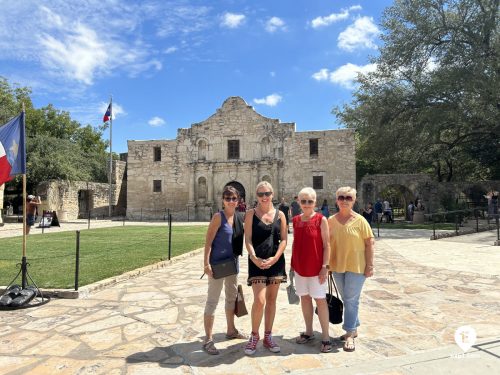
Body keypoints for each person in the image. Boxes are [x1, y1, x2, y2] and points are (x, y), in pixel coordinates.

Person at [328, 187, 374, 353]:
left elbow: (369, 244)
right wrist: (326, 264)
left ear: (354, 200)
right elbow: (326, 244)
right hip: (337, 265)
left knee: (351, 299)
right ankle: (353, 327)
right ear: (337, 199)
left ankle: (348, 333)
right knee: (348, 298)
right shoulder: (330, 221)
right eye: (341, 197)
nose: (344, 200)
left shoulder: (360, 221)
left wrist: (370, 265)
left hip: (357, 266)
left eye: (348, 197)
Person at [243, 181, 288, 355]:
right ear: (256, 196)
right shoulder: (250, 214)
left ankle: (268, 336)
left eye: (267, 193)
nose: (264, 197)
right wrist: (253, 257)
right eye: (261, 194)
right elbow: (247, 238)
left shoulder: (281, 215)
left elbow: (284, 239)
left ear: (272, 194)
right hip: (257, 261)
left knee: (271, 300)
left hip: (276, 260)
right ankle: (254, 335)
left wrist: (275, 257)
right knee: (259, 300)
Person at [202, 186, 246, 355]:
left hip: (232, 265)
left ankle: (231, 330)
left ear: (238, 200)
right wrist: (206, 264)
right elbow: (208, 242)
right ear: (223, 200)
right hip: (217, 266)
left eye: (234, 198)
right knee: (212, 301)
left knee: (231, 298)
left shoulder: (238, 217)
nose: (231, 201)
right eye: (228, 198)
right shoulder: (217, 217)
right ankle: (208, 338)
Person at [291, 187, 332, 353]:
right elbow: (296, 242)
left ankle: (326, 337)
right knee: (305, 299)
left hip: (316, 268)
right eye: (303, 201)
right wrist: (292, 265)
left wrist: (325, 267)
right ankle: (308, 331)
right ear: (299, 202)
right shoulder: (295, 220)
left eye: (310, 201)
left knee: (320, 301)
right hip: (300, 267)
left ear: (315, 202)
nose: (307, 204)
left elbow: (326, 245)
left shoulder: (321, 220)